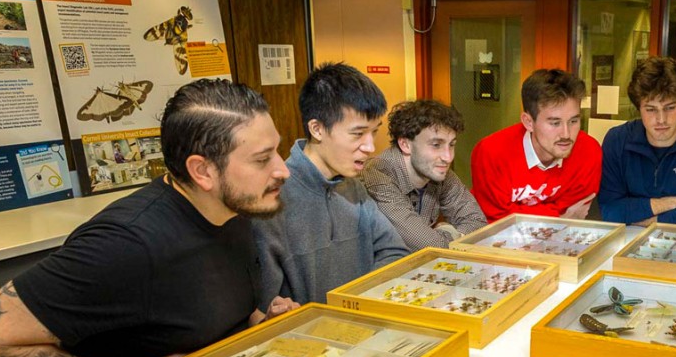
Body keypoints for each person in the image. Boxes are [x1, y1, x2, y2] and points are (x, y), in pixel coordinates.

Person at [0, 79, 298, 357]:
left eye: (277, 152)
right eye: (262, 159)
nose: (283, 170)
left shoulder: (233, 210)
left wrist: (260, 322)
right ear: (203, 171)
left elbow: (209, 312)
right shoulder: (125, 242)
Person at [253, 63, 408, 306]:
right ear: (317, 129)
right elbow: (264, 305)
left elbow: (394, 252)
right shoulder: (272, 198)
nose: (369, 146)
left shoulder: (352, 185)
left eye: (374, 132)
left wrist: (356, 303)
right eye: (358, 134)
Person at [599, 56, 676, 227]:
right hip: (625, 242)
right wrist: (666, 204)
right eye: (651, 109)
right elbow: (611, 212)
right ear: (639, 109)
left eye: (670, 108)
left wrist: (636, 217)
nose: (661, 119)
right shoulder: (617, 140)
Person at [470, 68, 601, 221]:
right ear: (528, 122)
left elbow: (575, 213)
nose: (566, 134)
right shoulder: (490, 153)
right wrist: (556, 215)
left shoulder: (589, 151)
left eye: (573, 121)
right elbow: (494, 218)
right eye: (555, 123)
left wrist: (517, 212)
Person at [362, 99, 487, 250]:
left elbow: (478, 223)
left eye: (452, 145)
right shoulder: (378, 174)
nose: (448, 157)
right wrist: (449, 232)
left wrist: (445, 237)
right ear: (405, 144)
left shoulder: (439, 172)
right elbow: (430, 246)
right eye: (436, 145)